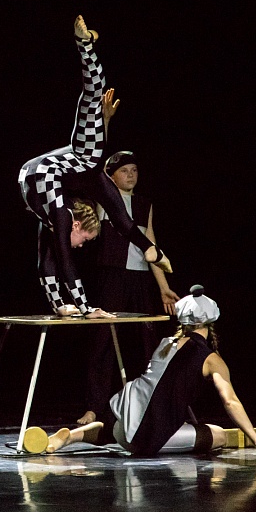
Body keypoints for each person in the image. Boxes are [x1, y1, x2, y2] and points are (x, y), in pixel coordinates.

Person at [18, 16, 172, 318]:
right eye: (85, 240)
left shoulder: (59, 208)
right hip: (48, 171)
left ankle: (150, 250)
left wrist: (61, 306)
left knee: (112, 204)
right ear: (76, 225)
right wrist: (87, 308)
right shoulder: (63, 214)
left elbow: (48, 259)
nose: (81, 246)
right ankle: (85, 46)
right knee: (93, 100)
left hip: (52, 172)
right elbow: (63, 258)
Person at [46, 286, 256, 460]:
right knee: (219, 435)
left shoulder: (166, 343)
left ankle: (72, 437)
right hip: (145, 438)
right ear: (210, 322)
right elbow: (230, 401)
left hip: (121, 421)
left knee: (125, 429)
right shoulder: (211, 359)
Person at [77, 151, 180, 424]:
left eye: (134, 170)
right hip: (112, 277)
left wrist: (163, 287)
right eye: (124, 170)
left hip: (140, 279)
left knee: (147, 341)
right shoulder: (103, 201)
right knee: (103, 342)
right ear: (111, 176)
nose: (131, 175)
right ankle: (94, 407)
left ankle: (152, 403)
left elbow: (151, 243)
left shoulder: (144, 204)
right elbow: (94, 172)